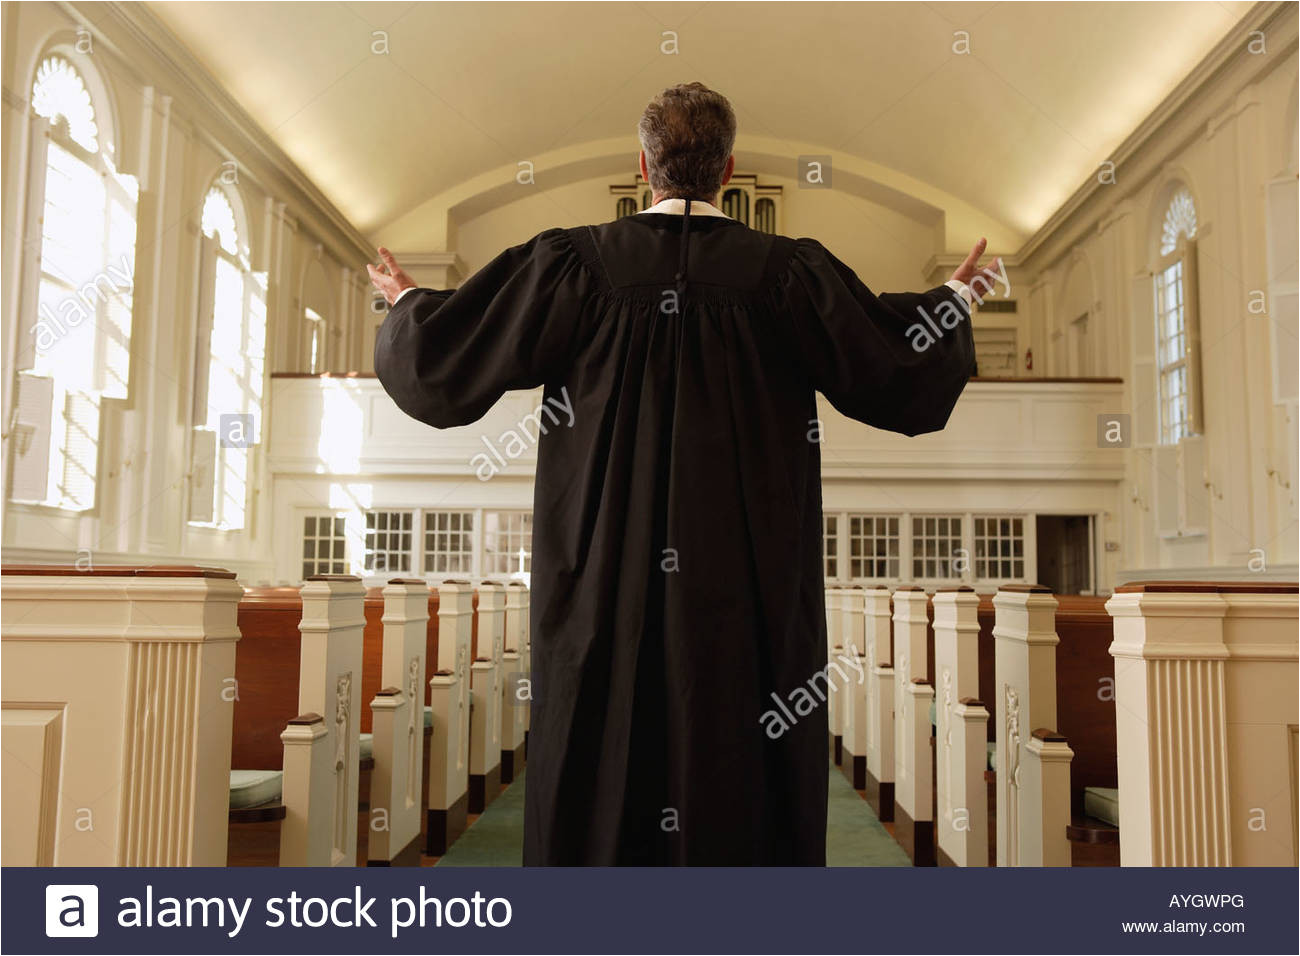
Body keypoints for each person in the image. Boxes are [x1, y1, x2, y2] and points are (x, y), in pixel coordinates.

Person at [369, 82, 1000, 865]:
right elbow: (890, 362)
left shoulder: (574, 266)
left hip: (603, 582)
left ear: (644, 166)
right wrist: (953, 301)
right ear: (728, 170)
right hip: (745, 588)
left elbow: (448, 356)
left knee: (600, 740)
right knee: (740, 742)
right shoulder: (787, 275)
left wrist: (405, 308)